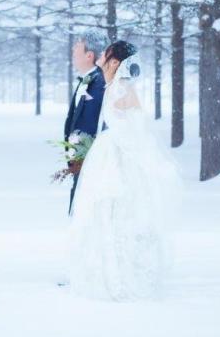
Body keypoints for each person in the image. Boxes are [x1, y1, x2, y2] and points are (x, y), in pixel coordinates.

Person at [66, 40, 182, 301]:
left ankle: (119, 274)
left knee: (116, 213)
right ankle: (105, 270)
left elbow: (136, 125)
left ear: (115, 62)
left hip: (117, 155)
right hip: (107, 152)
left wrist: (117, 144)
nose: (100, 58)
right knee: (103, 213)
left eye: (105, 54)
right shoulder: (112, 87)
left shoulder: (121, 89)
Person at [63, 29, 107, 214]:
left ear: (89, 55)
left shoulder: (100, 84)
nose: (73, 51)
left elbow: (97, 125)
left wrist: (84, 161)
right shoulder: (89, 80)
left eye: (77, 48)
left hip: (93, 167)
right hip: (81, 165)